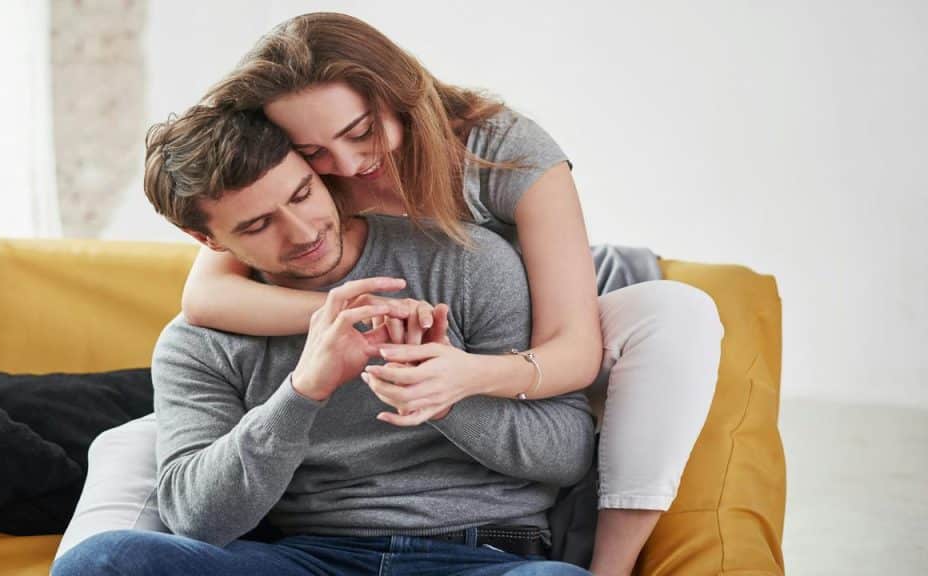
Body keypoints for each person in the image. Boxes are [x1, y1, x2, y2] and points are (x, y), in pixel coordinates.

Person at [179, 12, 724, 576]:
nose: (346, 166)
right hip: (346, 375)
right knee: (135, 455)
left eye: (360, 132)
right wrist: (358, 320)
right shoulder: (283, 182)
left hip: (535, 312)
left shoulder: (505, 151)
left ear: (397, 93)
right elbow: (205, 300)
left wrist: (462, 377)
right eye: (313, 152)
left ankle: (609, 565)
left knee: (675, 314)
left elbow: (572, 348)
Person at [54, 105, 595, 575]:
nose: (304, 231)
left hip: (486, 554)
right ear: (206, 240)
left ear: (315, 170)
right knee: (99, 563)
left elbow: (569, 452)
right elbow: (197, 520)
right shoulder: (199, 343)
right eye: (259, 224)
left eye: (303, 193)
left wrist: (439, 395)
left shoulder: (466, 261)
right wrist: (301, 393)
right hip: (310, 558)